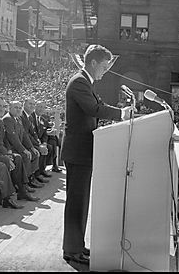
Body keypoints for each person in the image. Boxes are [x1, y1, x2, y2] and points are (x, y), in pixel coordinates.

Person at [61, 45, 131, 265]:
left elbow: (97, 105)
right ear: (92, 63)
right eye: (103, 66)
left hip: (83, 151)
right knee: (76, 203)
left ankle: (77, 246)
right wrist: (120, 114)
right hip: (78, 151)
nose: (105, 71)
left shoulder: (85, 82)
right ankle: (72, 249)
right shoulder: (79, 82)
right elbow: (94, 109)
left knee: (81, 202)